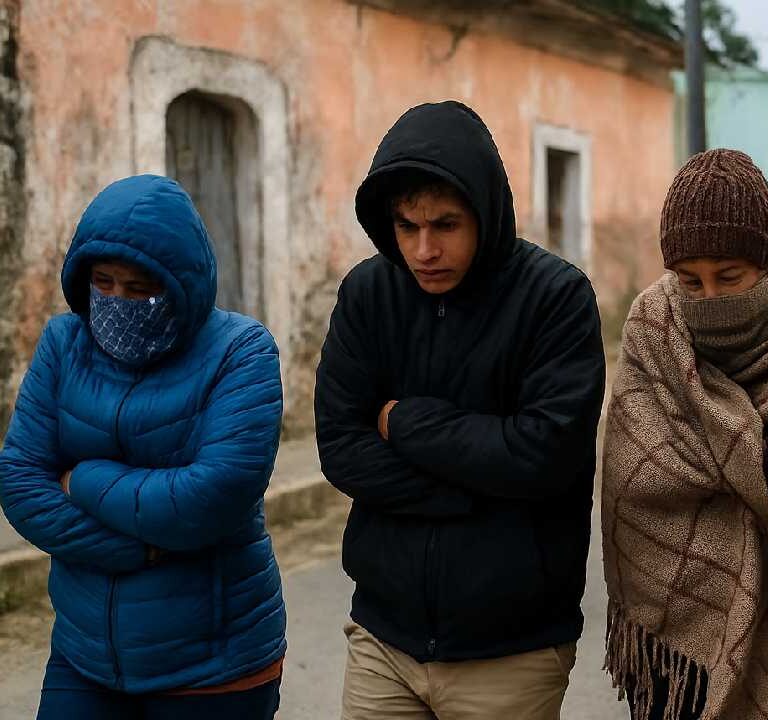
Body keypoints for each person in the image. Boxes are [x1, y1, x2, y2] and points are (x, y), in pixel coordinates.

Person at [315, 100, 606, 720]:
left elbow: (542, 456)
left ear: (485, 212)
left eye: (445, 225)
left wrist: (402, 422)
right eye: (406, 226)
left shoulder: (555, 299)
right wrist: (479, 489)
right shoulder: (368, 294)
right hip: (383, 639)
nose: (424, 249)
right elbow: (340, 447)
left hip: (512, 651)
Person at [602, 149, 768, 720]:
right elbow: (636, 477)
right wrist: (761, 457)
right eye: (690, 280)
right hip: (678, 648)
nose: (709, 297)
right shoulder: (653, 325)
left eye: (729, 277)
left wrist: (705, 435)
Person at [0, 175, 287, 719]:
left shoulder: (241, 352)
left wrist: (80, 479)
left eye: (139, 289)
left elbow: (210, 496)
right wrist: (141, 551)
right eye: (103, 282)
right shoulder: (63, 344)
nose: (117, 301)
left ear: (181, 285)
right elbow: (20, 482)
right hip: (84, 657)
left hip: (213, 668)